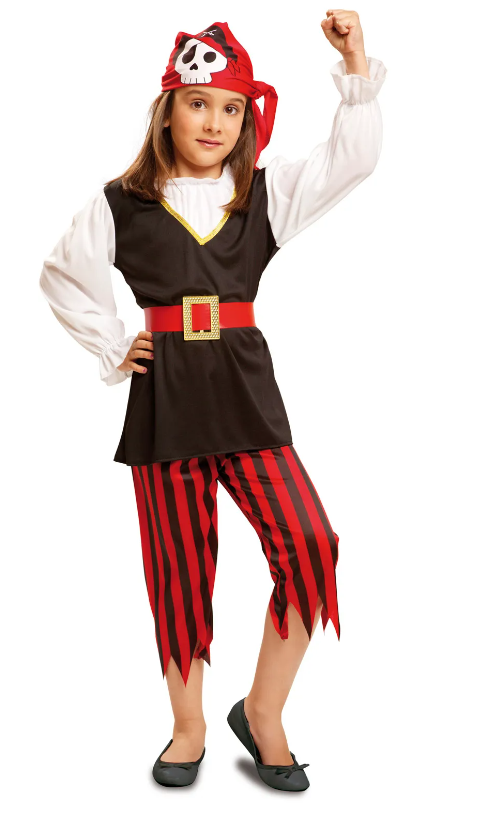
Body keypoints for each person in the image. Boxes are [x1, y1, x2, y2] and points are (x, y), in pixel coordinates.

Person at [39, 13, 387, 791]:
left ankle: (262, 710)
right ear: (168, 110)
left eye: (232, 108)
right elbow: (61, 274)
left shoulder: (263, 193)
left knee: (310, 544)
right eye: (199, 103)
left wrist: (356, 62)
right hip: (165, 401)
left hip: (245, 394)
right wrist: (111, 344)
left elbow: (355, 158)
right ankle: (188, 723)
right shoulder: (121, 203)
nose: (216, 122)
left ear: (246, 119)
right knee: (179, 568)